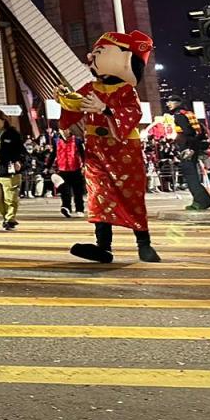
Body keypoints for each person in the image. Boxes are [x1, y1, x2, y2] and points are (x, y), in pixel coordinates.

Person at [58, 31, 161, 264]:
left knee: (131, 196)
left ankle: (143, 243)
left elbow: (133, 114)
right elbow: (75, 106)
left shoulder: (126, 90)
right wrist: (65, 106)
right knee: (99, 195)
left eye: (99, 52)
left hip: (124, 150)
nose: (91, 57)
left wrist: (105, 109)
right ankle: (103, 246)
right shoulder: (90, 87)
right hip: (96, 149)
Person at [168, 93, 210, 210]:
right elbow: (198, 132)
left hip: (187, 147)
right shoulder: (188, 114)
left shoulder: (179, 116)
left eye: (171, 102)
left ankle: (201, 200)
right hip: (193, 146)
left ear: (177, 103)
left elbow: (187, 132)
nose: (168, 104)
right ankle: (204, 198)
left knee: (190, 174)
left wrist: (187, 145)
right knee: (192, 173)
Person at [53, 127, 85, 217]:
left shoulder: (77, 141)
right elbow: (53, 154)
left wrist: (85, 165)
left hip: (76, 169)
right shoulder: (56, 141)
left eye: (66, 129)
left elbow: (83, 154)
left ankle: (80, 209)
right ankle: (66, 207)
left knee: (78, 191)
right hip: (62, 170)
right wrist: (47, 166)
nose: (64, 131)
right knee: (65, 191)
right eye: (62, 130)